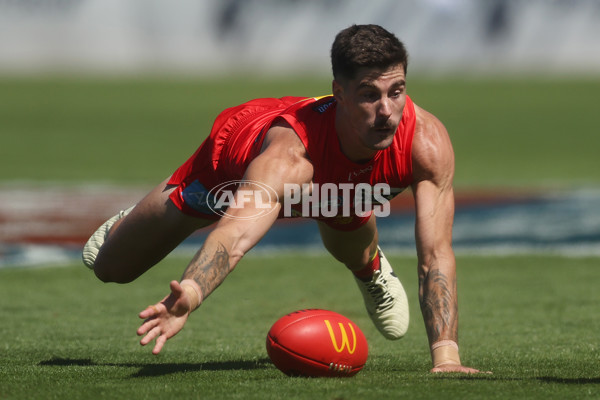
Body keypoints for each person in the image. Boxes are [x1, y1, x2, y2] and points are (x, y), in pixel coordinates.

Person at [82, 24, 486, 374]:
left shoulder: (426, 143)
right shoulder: (286, 158)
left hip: (334, 187)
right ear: (339, 93)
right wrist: (192, 291)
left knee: (347, 202)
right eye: (369, 95)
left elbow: (436, 254)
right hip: (229, 176)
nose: (387, 111)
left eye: (396, 92)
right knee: (110, 268)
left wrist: (446, 357)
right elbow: (236, 235)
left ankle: (370, 270)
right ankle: (129, 221)